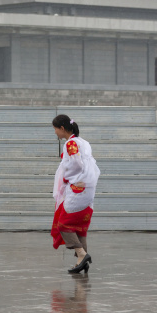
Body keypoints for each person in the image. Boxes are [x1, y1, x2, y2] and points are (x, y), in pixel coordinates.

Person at [51, 114, 100, 274]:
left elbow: (77, 164)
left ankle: (82, 254)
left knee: (64, 224)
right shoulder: (83, 142)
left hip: (78, 188)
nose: (56, 133)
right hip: (88, 188)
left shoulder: (71, 143)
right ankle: (82, 261)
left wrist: (66, 178)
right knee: (80, 226)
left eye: (56, 129)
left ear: (62, 128)